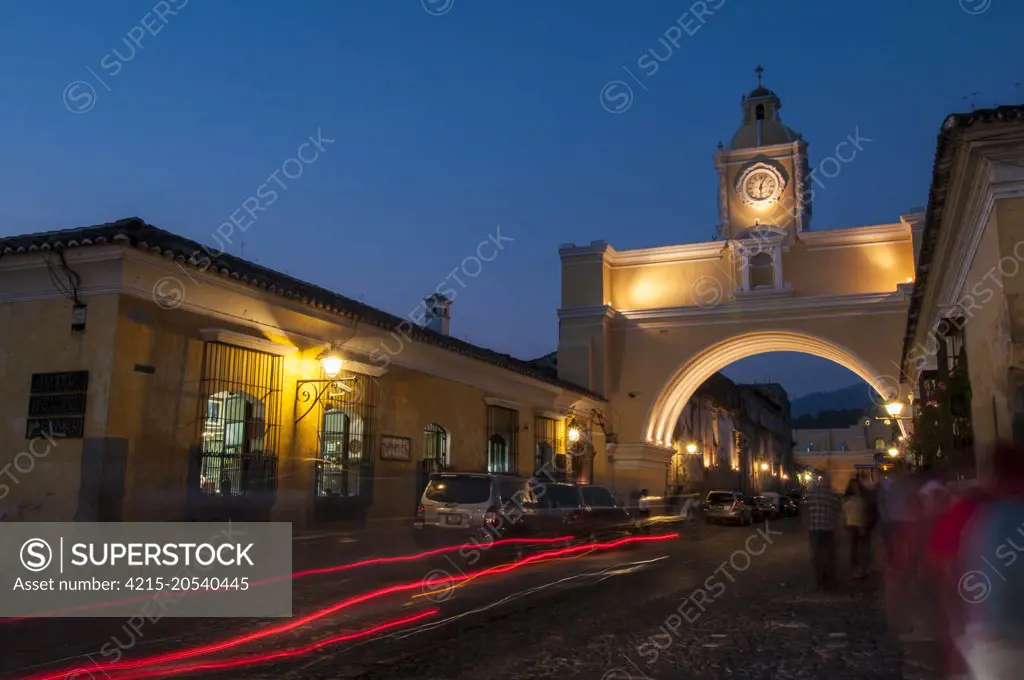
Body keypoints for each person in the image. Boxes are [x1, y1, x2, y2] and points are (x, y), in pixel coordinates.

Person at [803, 474, 841, 591]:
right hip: (827, 529)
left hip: (815, 529)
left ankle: (821, 581)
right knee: (829, 556)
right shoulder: (833, 495)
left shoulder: (811, 493)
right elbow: (837, 513)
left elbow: (805, 509)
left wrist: (806, 525)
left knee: (817, 555)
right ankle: (828, 581)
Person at [843, 478, 870, 579]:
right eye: (853, 486)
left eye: (857, 486)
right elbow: (844, 513)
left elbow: (865, 512)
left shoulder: (862, 497)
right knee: (854, 549)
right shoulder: (847, 498)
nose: (855, 488)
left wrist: (864, 524)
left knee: (862, 549)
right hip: (851, 525)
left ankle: (863, 569)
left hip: (861, 525)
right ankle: (855, 569)